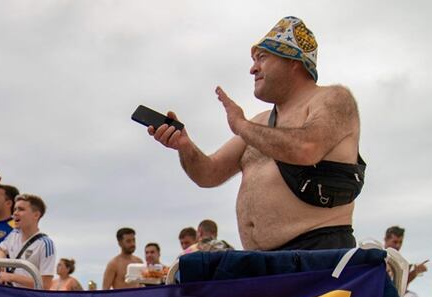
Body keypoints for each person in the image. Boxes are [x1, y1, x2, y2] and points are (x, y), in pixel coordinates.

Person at [149, 16, 362, 252]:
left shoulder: (333, 98)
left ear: (294, 61)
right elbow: (208, 174)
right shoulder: (259, 122)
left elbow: (306, 148)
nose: (253, 68)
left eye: (262, 58)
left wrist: (240, 124)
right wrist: (184, 146)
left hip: (317, 253)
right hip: (262, 261)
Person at [0, 194, 56, 289]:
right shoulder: (14, 234)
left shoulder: (46, 244)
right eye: (15, 209)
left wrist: (11, 277)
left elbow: (46, 285)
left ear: (36, 215)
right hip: (11, 295)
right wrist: (1, 262)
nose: (15, 213)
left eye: (21, 209)